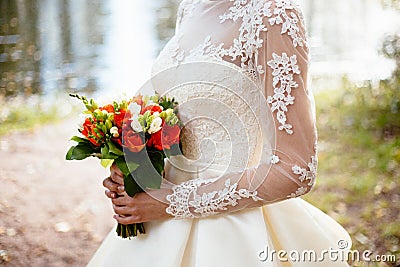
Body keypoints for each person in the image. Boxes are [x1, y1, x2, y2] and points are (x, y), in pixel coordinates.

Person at [88, 0, 352, 266]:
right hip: (155, 221)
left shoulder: (274, 15)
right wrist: (135, 166)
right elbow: (179, 111)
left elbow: (296, 170)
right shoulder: (191, 6)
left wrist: (170, 203)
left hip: (231, 231)